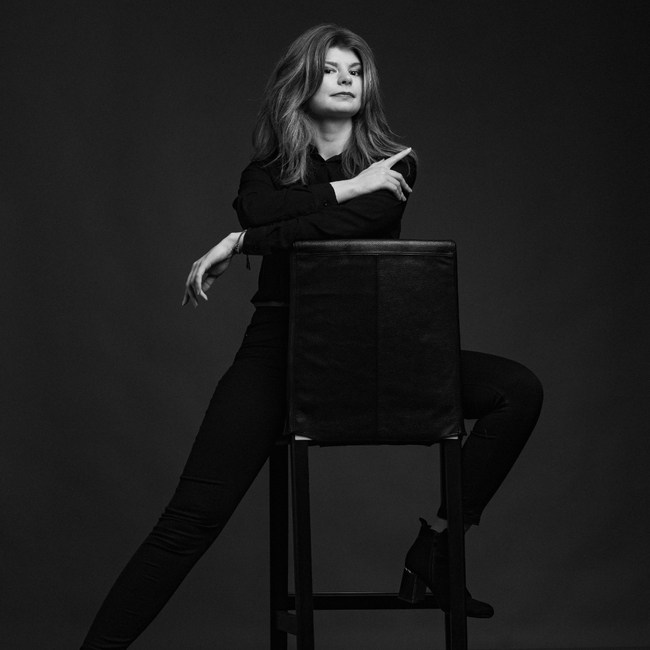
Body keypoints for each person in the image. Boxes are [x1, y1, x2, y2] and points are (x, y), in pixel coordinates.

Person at [80, 24, 543, 648]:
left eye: (356, 70)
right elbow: (262, 211)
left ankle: (438, 545)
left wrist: (241, 243)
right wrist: (347, 188)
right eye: (330, 69)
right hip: (278, 348)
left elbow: (321, 231)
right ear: (300, 83)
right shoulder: (268, 171)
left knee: (517, 390)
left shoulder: (395, 164)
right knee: (190, 519)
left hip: (374, 351)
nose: (347, 78)